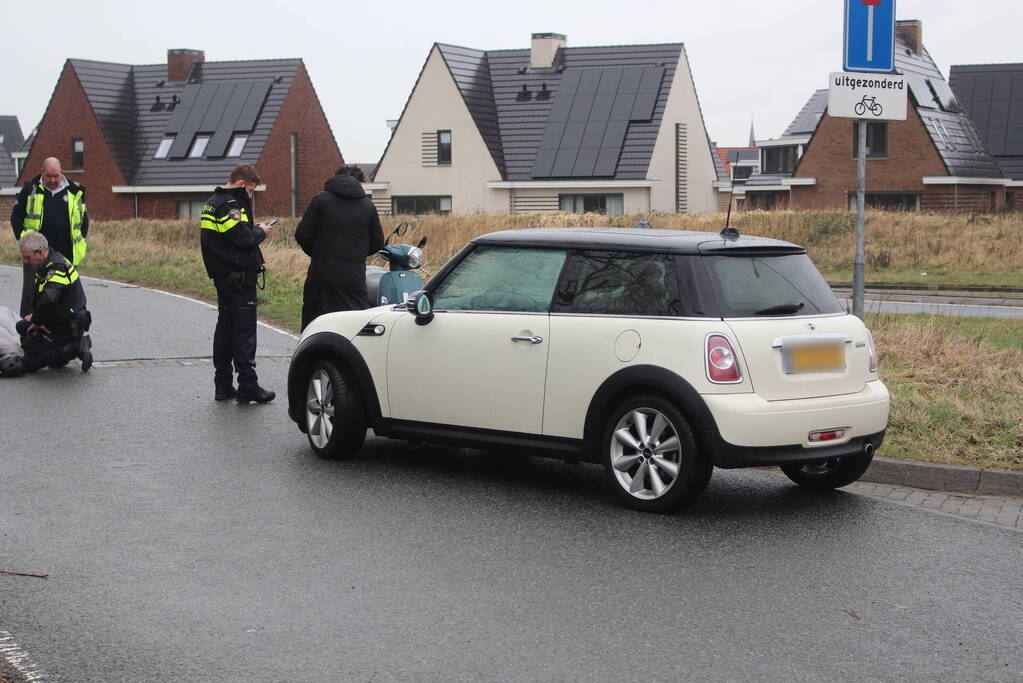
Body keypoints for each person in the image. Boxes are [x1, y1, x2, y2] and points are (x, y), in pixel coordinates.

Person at [200, 163, 276, 403]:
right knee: (243, 332)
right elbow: (243, 240)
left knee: (224, 329)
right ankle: (247, 385)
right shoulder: (229, 204)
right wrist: (261, 231)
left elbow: (230, 235)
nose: (250, 196)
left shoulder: (212, 202)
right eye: (251, 191)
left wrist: (249, 229)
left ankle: (223, 385)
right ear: (242, 184)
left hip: (223, 276)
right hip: (239, 277)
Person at [295, 164, 385, 330]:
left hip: (322, 274)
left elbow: (302, 234)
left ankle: (313, 354)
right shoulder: (368, 206)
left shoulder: (320, 200)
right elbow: (378, 244)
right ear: (360, 182)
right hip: (354, 276)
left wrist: (317, 253)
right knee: (353, 323)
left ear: (336, 177)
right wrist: (357, 254)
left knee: (315, 322)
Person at [0, 232, 92, 378]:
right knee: (22, 327)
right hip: (57, 318)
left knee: (27, 363)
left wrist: (38, 321)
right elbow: (42, 300)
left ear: (40, 252)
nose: (25, 261)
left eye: (27, 257)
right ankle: (61, 349)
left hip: (69, 324)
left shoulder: (57, 267)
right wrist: (35, 318)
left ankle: (76, 346)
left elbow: (49, 299)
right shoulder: (45, 264)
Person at [10, 157, 89, 317]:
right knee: (32, 293)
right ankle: (28, 331)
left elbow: (83, 222)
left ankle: (64, 331)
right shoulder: (30, 189)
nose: (52, 180)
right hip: (36, 255)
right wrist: (27, 244)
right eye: (48, 176)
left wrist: (80, 240)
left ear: (62, 173)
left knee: (66, 294)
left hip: (66, 255)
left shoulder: (75, 192)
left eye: (56, 176)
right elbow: (16, 218)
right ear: (42, 173)